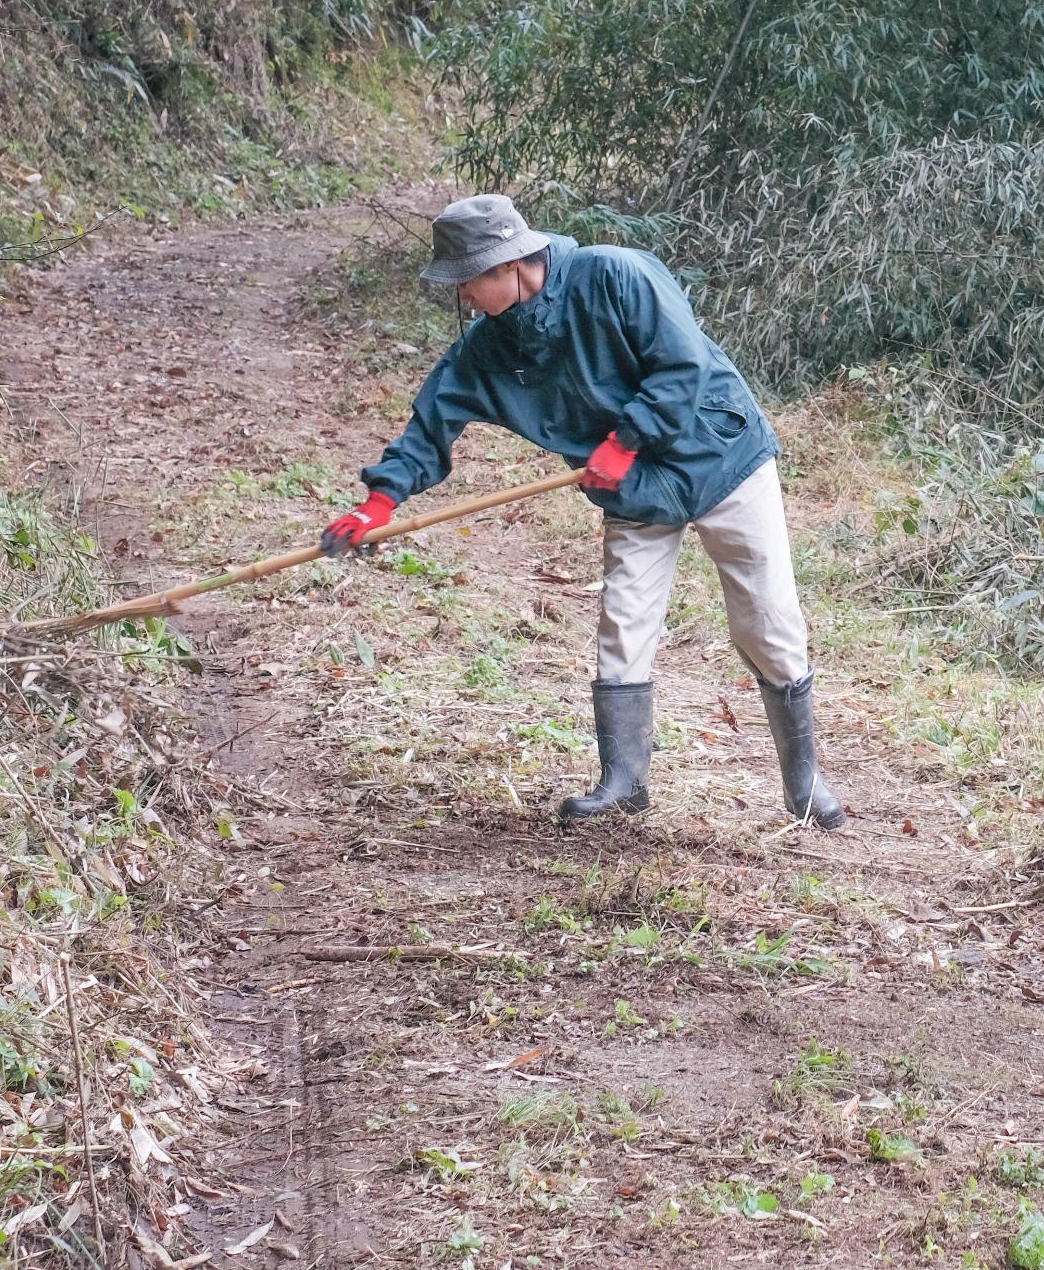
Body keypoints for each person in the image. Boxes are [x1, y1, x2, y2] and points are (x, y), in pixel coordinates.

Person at [319, 194, 844, 831]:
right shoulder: (492, 346)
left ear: (508, 265)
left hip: (722, 457)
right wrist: (379, 502)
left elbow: (685, 364)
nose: (462, 298)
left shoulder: (616, 274)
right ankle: (624, 782)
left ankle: (804, 783)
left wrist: (625, 440)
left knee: (766, 620)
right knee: (624, 623)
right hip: (636, 492)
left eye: (466, 283)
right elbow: (432, 421)